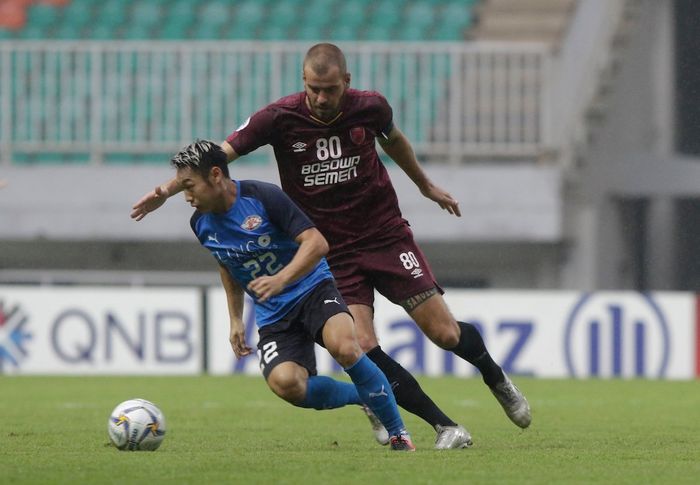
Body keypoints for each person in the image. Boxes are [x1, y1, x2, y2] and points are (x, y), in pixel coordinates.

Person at [132, 43, 530, 448]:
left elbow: (394, 143)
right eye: (314, 89)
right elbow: (214, 158)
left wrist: (425, 186)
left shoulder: (371, 107)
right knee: (361, 345)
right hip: (329, 249)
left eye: (330, 89)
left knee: (444, 333)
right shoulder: (278, 117)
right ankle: (443, 426)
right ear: (303, 81)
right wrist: (166, 190)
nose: (321, 98)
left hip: (384, 234)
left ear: (347, 82)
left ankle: (496, 378)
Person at [165, 139, 415, 451]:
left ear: (216, 175)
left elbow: (317, 243)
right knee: (287, 384)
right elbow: (226, 264)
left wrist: (281, 279)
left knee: (345, 347)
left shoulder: (261, 196)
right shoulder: (200, 223)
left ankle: (399, 434)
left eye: (189, 186)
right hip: (273, 313)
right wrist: (235, 319)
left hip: (312, 288)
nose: (186, 196)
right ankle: (364, 399)